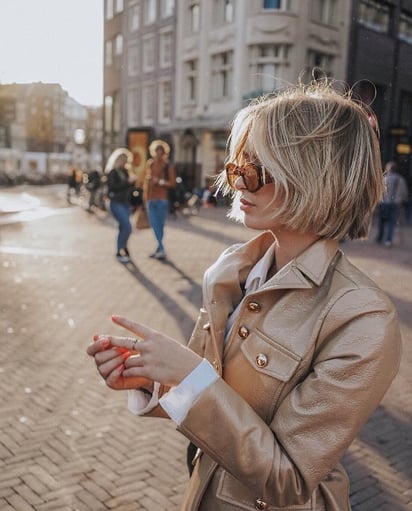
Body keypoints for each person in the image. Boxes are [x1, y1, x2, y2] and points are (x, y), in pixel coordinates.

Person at [87, 82, 401, 511]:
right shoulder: (232, 274)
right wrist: (155, 380)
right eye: (237, 165)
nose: (237, 179)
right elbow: (214, 403)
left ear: (313, 176)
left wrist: (192, 377)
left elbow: (288, 480)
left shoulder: (362, 318)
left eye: (256, 168)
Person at [143, 139, 176, 260]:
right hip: (151, 198)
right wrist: (145, 198)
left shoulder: (168, 166)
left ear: (164, 152)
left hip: (162, 199)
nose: (158, 153)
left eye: (161, 151)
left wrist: (160, 182)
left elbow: (172, 183)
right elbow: (147, 182)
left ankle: (160, 248)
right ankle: (160, 248)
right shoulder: (150, 163)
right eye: (156, 151)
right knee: (154, 224)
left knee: (159, 225)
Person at [106, 148, 136, 263]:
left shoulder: (126, 171)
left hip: (126, 203)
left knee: (123, 228)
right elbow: (113, 187)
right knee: (127, 227)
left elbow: (129, 189)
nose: (126, 163)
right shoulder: (113, 172)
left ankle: (122, 248)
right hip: (116, 203)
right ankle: (120, 250)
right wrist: (127, 182)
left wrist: (132, 183)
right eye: (125, 160)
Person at [375, 161, 408, 247]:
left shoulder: (384, 178)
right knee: (391, 222)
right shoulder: (400, 179)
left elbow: (378, 191)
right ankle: (388, 240)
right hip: (394, 204)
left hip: (383, 203)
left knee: (381, 221)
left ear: (388, 169)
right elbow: (404, 192)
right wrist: (402, 201)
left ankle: (379, 237)